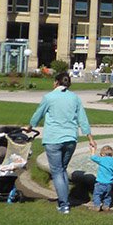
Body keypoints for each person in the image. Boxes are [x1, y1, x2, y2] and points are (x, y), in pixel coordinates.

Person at [26, 72, 95, 214]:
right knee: (62, 169)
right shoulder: (74, 98)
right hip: (70, 139)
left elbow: (38, 114)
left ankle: (64, 204)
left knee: (57, 172)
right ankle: (64, 199)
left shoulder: (49, 97)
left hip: (53, 139)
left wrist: (30, 127)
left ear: (56, 82)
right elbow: (83, 119)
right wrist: (90, 138)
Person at [88, 142, 113, 211]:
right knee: (107, 196)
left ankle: (97, 206)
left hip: (100, 183)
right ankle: (106, 206)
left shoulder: (102, 160)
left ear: (102, 154)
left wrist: (93, 150)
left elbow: (93, 157)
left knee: (97, 195)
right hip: (109, 184)